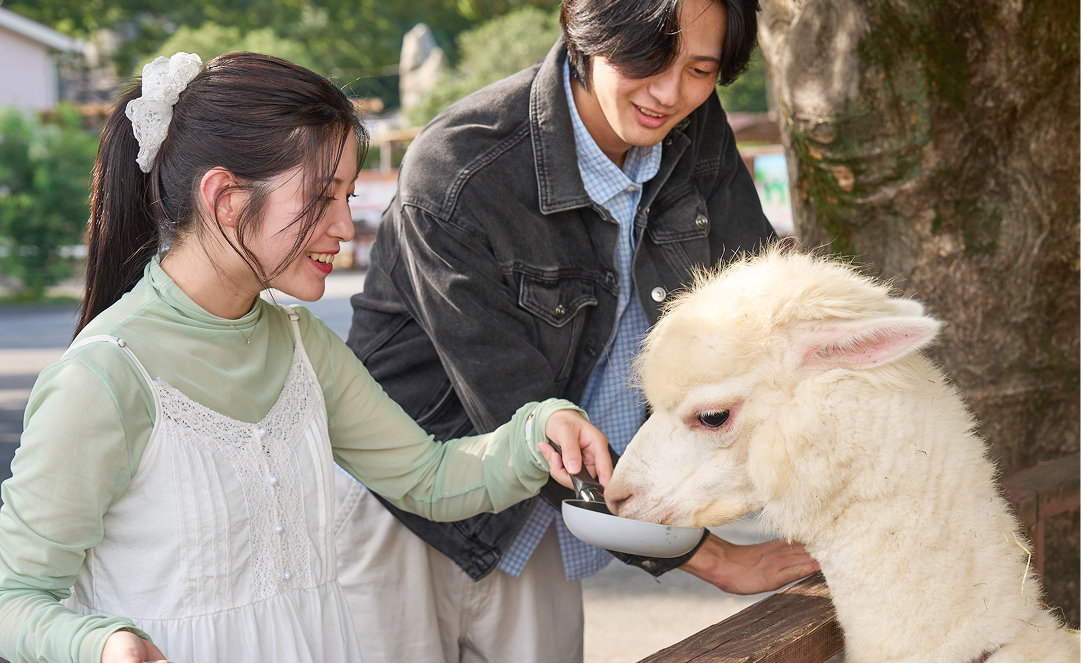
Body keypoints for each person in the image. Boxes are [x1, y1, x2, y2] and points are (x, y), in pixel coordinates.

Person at [0, 51, 614, 664]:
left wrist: (539, 432)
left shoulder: (303, 343)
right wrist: (102, 644)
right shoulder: (104, 378)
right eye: (323, 197)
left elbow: (428, 479)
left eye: (348, 195)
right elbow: (15, 597)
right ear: (227, 200)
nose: (346, 226)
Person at [335, 0, 821, 661]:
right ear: (585, 34)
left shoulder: (689, 125)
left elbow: (759, 300)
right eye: (645, 61)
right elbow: (523, 417)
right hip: (409, 505)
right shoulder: (460, 170)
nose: (668, 92)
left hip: (547, 507)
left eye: (700, 69)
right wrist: (712, 558)